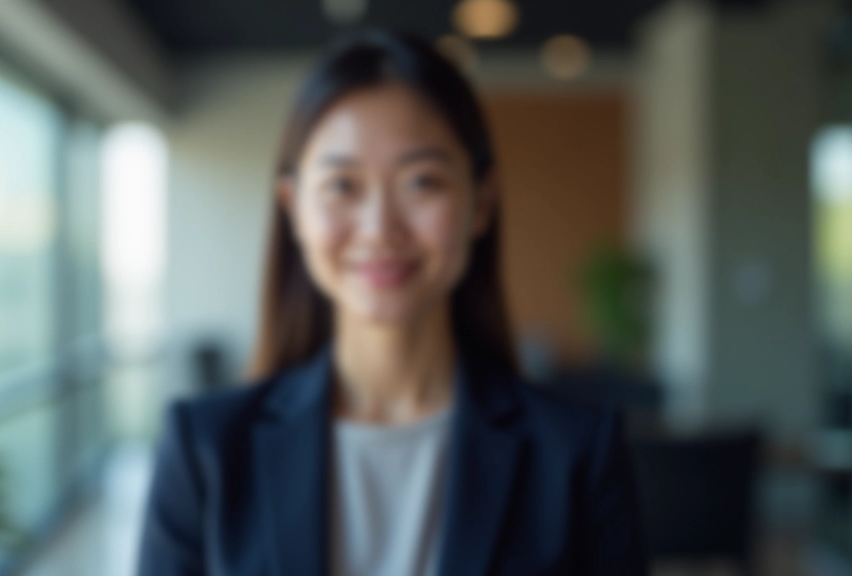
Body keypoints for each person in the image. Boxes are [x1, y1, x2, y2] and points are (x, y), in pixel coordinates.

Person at [138, 29, 647, 576]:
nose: (380, 229)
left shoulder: (577, 454)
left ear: (481, 202)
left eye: (422, 182)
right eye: (342, 186)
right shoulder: (205, 450)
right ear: (293, 208)